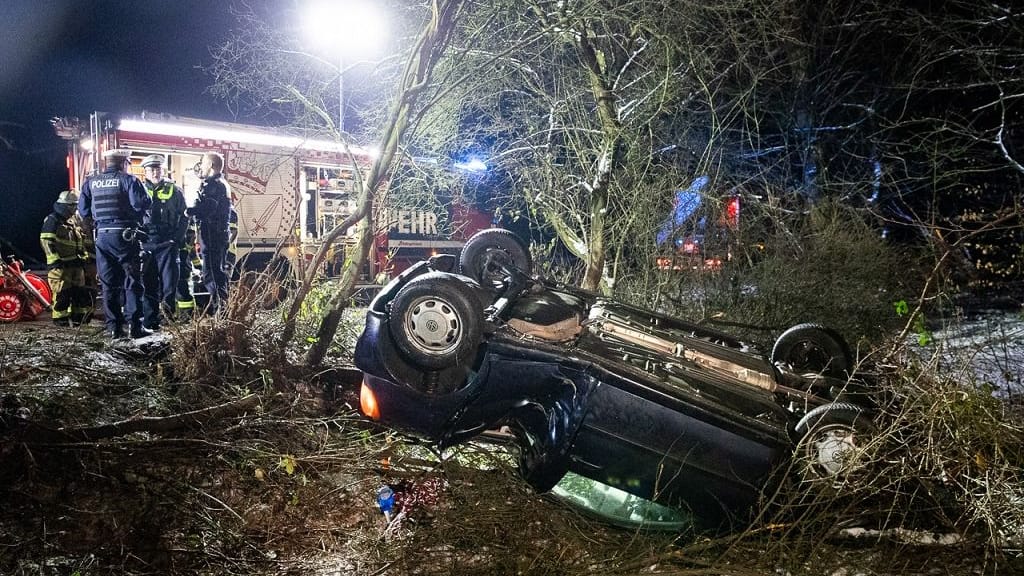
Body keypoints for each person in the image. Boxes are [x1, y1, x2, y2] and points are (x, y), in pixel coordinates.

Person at [78, 149, 153, 339]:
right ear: (124, 162)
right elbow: (141, 204)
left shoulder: (90, 183)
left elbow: (83, 211)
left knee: (108, 283)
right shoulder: (129, 180)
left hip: (102, 237)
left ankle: (114, 329)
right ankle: (135, 327)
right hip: (125, 237)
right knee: (132, 281)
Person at [139, 154, 188, 330]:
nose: (155, 172)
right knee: (148, 284)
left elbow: (184, 217)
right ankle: (150, 320)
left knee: (169, 284)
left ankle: (167, 318)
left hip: (168, 244)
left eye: (158, 169)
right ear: (145, 172)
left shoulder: (175, 191)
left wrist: (176, 238)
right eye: (151, 169)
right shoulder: (138, 189)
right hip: (146, 244)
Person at [39, 190, 91, 326]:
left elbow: (81, 240)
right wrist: (54, 261)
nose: (74, 208)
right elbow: (46, 241)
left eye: (75, 205)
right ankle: (60, 320)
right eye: (71, 205)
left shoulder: (74, 220)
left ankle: (79, 319)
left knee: (79, 292)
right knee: (62, 293)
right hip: (61, 265)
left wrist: (85, 257)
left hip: (76, 263)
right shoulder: (53, 220)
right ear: (63, 205)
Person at [188, 152, 231, 312]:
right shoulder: (221, 183)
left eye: (204, 163)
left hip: (212, 235)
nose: (202, 167)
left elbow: (208, 208)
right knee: (217, 272)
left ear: (211, 166)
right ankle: (223, 309)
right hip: (218, 235)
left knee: (211, 274)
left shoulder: (213, 185)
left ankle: (221, 310)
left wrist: (190, 211)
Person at [175, 219, 199, 320]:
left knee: (182, 291)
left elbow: (191, 238)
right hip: (180, 259)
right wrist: (197, 265)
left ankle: (187, 316)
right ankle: (182, 316)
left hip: (182, 262)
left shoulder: (183, 218)